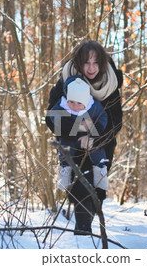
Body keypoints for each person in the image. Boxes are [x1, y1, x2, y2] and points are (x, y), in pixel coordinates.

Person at [46, 40, 123, 234]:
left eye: (96, 63)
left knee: (97, 187)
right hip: (71, 141)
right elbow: (51, 117)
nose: (91, 68)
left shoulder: (109, 83)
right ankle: (83, 230)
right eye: (86, 63)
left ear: (102, 64)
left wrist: (94, 139)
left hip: (101, 143)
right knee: (80, 183)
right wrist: (77, 127)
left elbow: (115, 121)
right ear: (79, 63)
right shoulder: (67, 81)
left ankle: (87, 224)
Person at [48, 75, 109, 192]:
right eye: (71, 102)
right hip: (69, 136)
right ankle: (64, 171)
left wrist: (91, 135)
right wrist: (77, 127)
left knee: (98, 149)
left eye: (79, 103)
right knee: (65, 149)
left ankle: (100, 172)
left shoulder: (94, 107)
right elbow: (54, 118)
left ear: (86, 101)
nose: (75, 106)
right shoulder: (62, 106)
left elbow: (102, 119)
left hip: (88, 136)